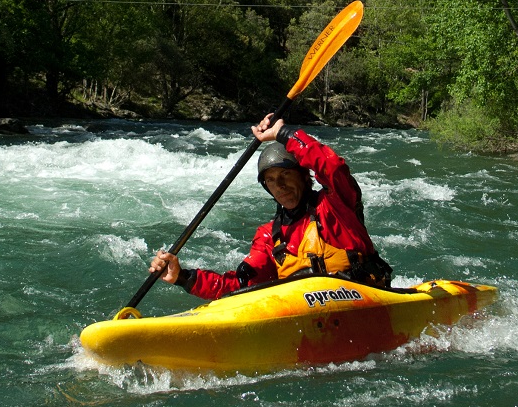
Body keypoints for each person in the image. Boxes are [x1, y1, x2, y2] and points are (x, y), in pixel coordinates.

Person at [149, 113, 393, 300]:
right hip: (307, 317)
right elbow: (241, 286)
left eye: (286, 175)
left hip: (363, 301)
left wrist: (284, 133)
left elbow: (333, 167)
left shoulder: (336, 206)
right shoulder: (269, 237)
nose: (280, 186)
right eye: (271, 180)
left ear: (304, 177)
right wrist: (183, 277)